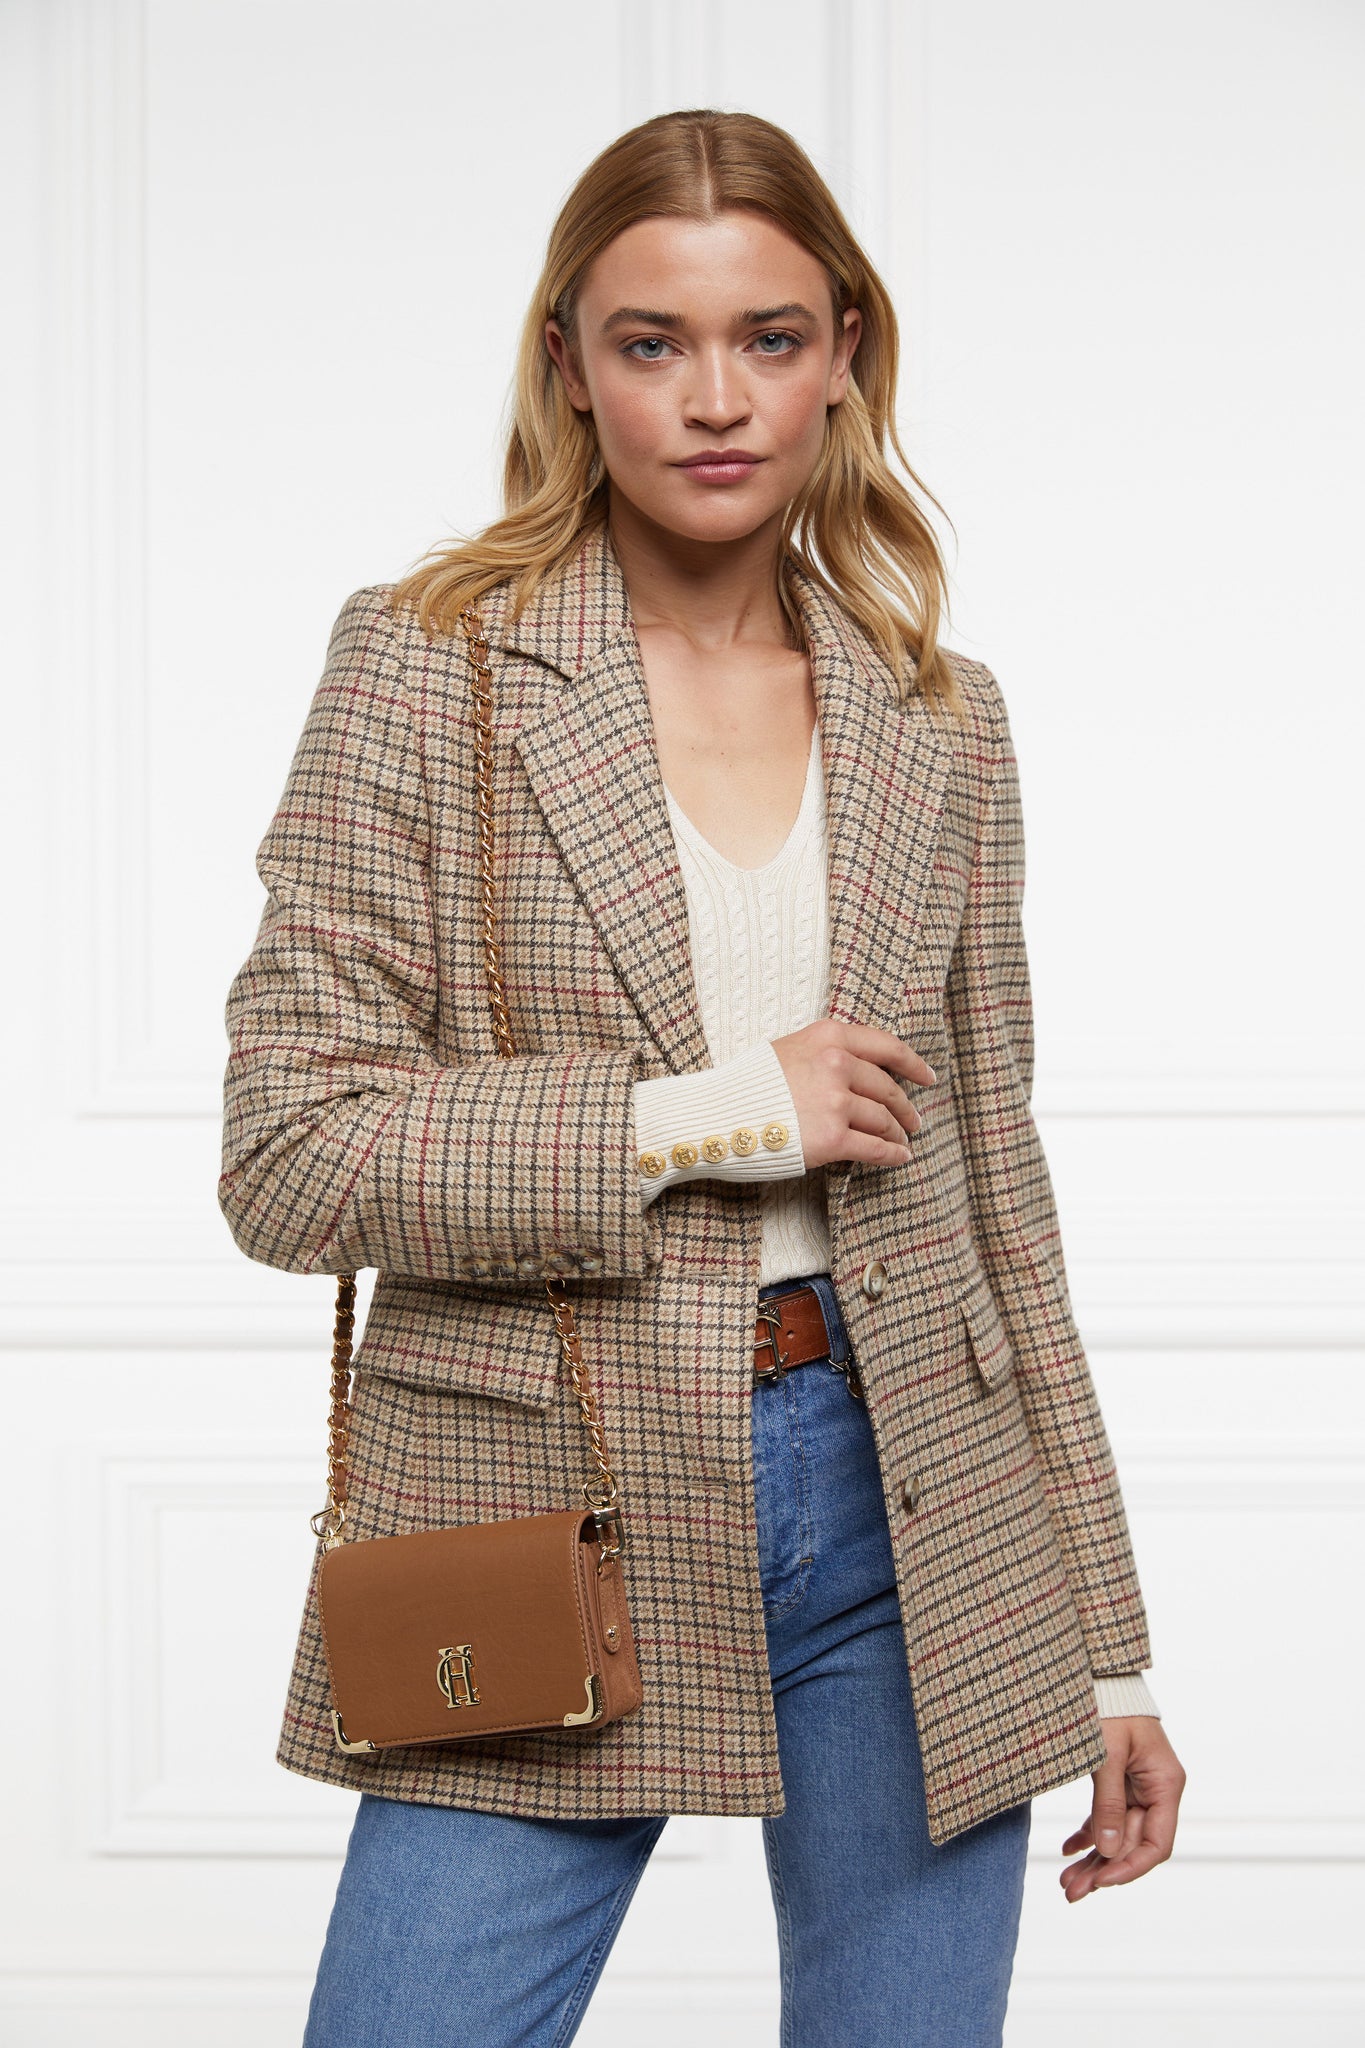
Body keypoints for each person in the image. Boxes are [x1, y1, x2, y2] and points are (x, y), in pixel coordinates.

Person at [219, 107, 1186, 2048]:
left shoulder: (938, 713)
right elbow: (289, 1151)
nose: (715, 397)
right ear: (569, 364)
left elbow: (997, 1186)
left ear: (844, 354)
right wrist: (724, 1111)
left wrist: (1106, 1643)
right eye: (651, 341)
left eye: (768, 336)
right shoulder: (431, 668)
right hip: (549, 1489)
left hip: (919, 1504)